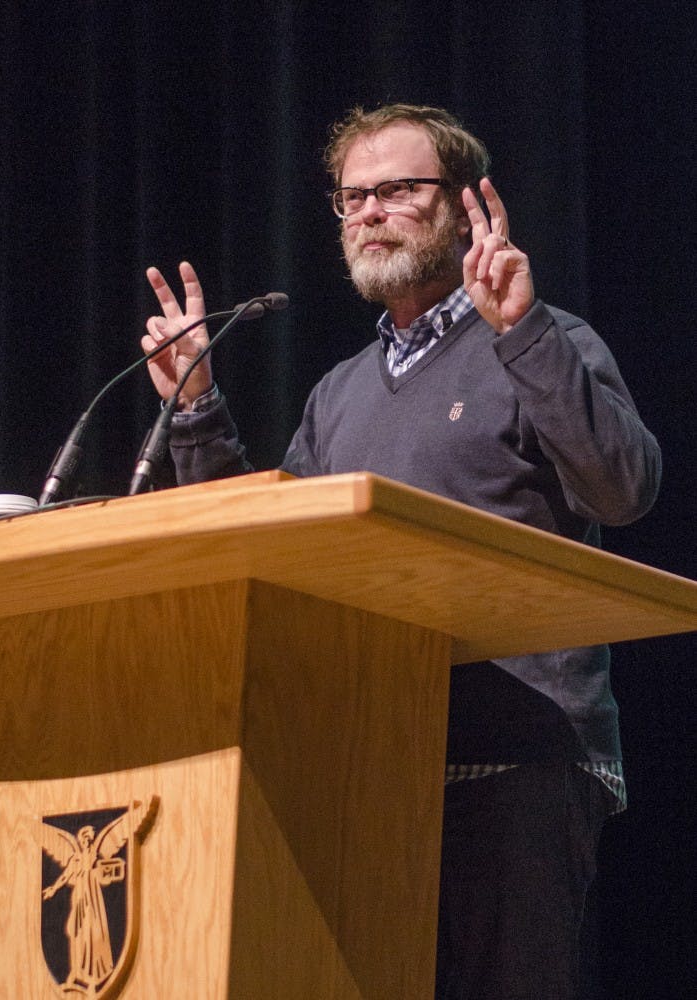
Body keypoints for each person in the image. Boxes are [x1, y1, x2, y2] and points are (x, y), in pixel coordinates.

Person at [141, 104, 661, 999]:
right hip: (370, 756)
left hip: (518, 754)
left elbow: (622, 488)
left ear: (460, 207)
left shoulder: (542, 337)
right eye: (352, 198)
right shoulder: (339, 393)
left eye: (397, 189)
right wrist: (195, 410)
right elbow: (271, 557)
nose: (370, 212)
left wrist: (521, 331)